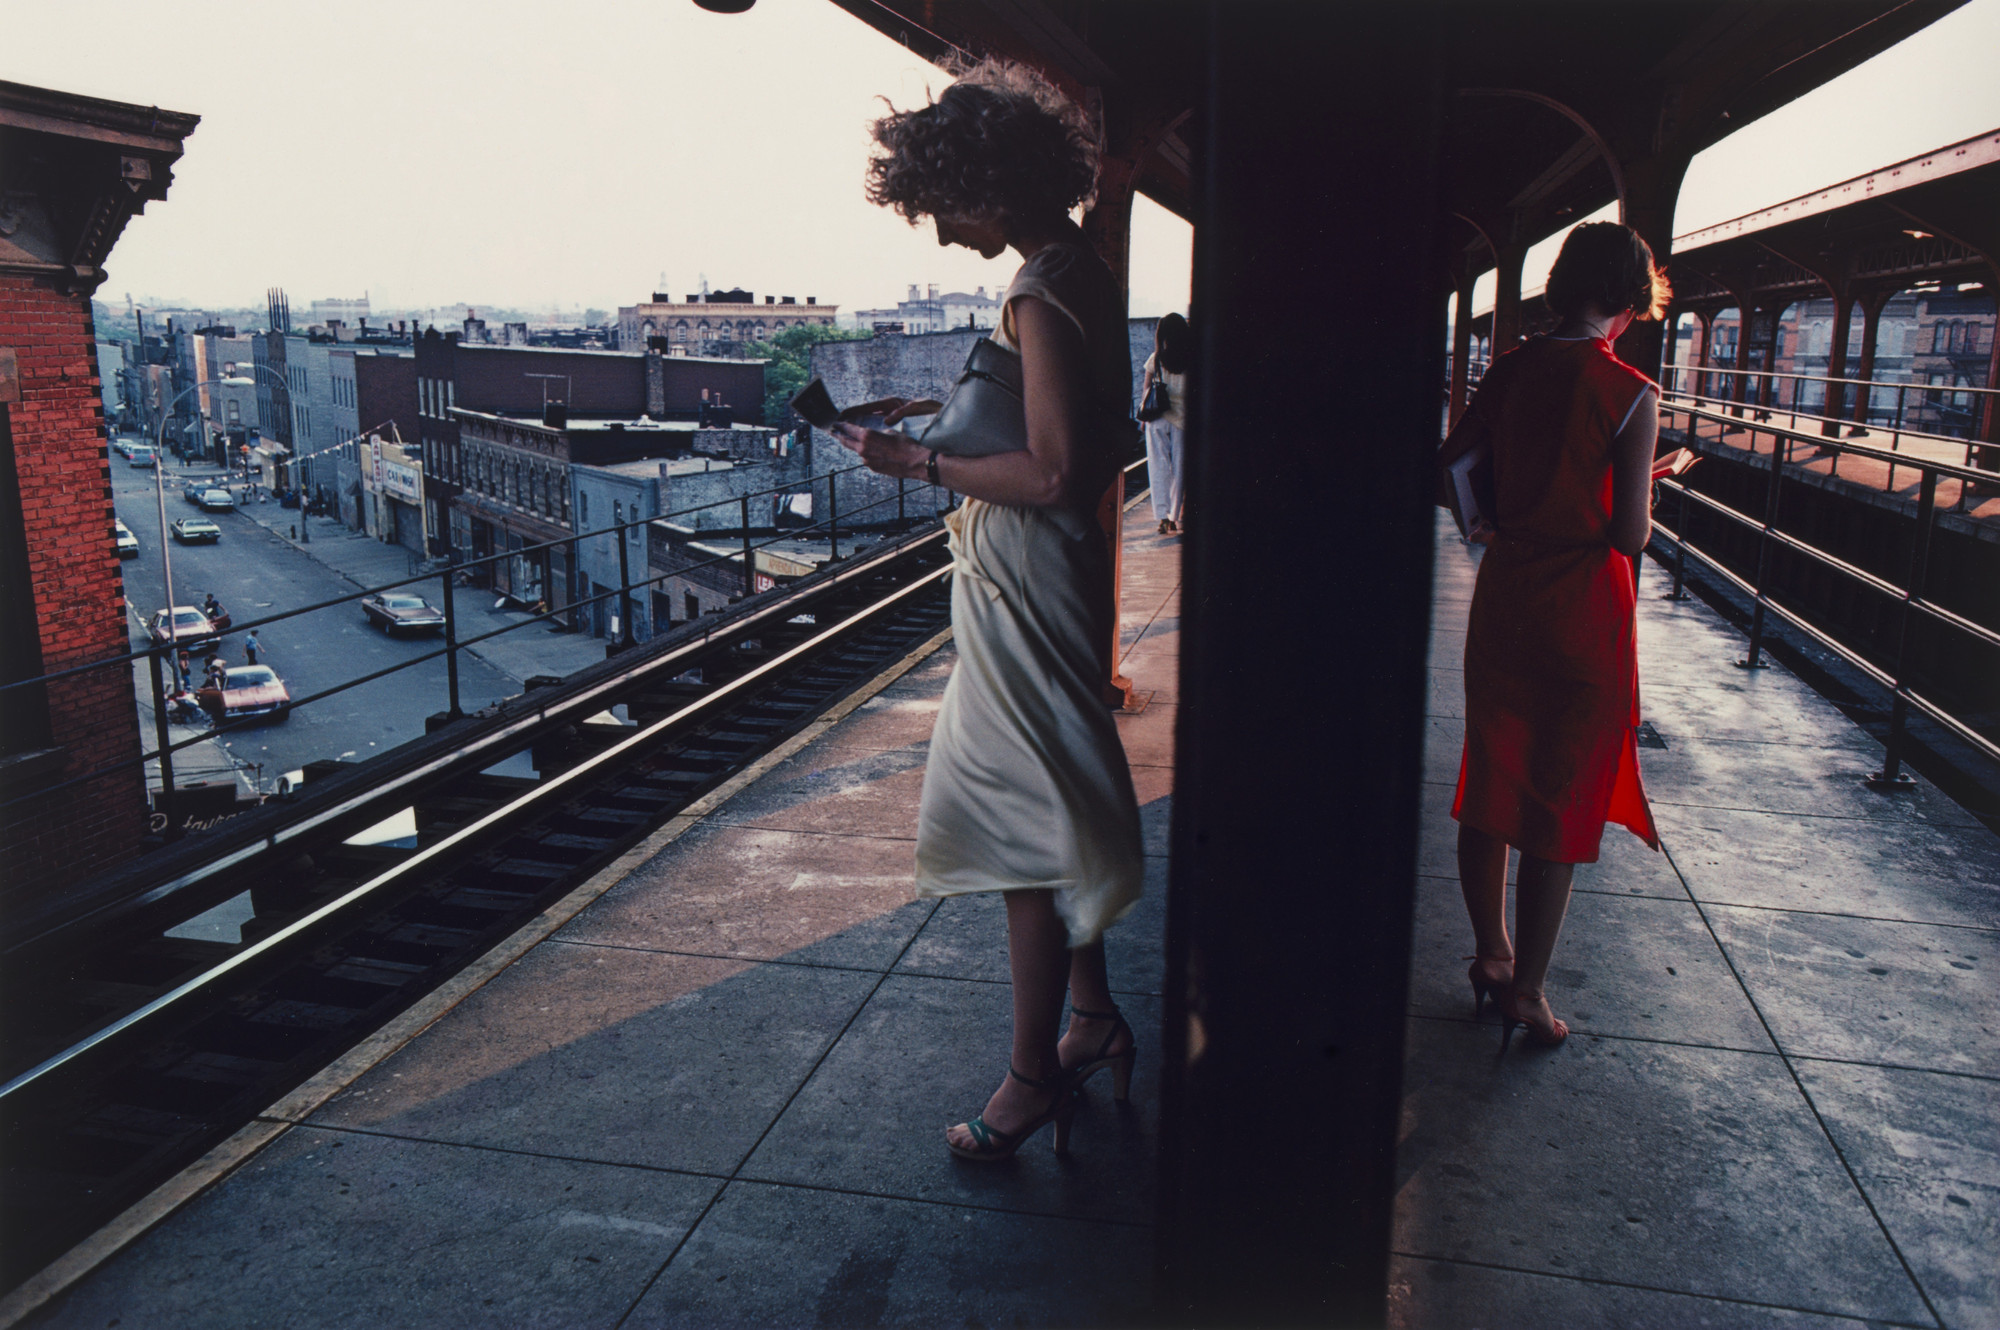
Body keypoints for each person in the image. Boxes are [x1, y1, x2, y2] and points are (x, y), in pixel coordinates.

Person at [834, 60, 1145, 1161]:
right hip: (1041, 574)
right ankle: (1092, 1017)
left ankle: (1027, 1080)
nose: (936, 231)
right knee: (1046, 788)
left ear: (984, 181)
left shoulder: (1038, 284)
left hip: (1025, 573)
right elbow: (1080, 433)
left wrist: (913, 458)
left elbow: (1058, 470)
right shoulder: (1079, 266)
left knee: (1018, 817)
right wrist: (961, 412)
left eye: (940, 204)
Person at [1438, 221, 1669, 1050]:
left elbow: (1451, 469)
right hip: (1581, 609)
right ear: (1628, 300)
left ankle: (1492, 955)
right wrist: (1647, 481)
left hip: (1507, 596)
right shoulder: (1632, 393)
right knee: (1559, 793)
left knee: (1493, 770)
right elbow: (1627, 536)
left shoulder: (1509, 370)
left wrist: (1494, 519)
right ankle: (1529, 992)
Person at [1139, 312, 1190, 534]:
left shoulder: (1156, 358)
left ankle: (1161, 517)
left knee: (1158, 467)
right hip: (1183, 421)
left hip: (1157, 419)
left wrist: (1143, 419)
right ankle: (1173, 517)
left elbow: (1146, 389)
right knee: (1180, 470)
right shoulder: (1192, 359)